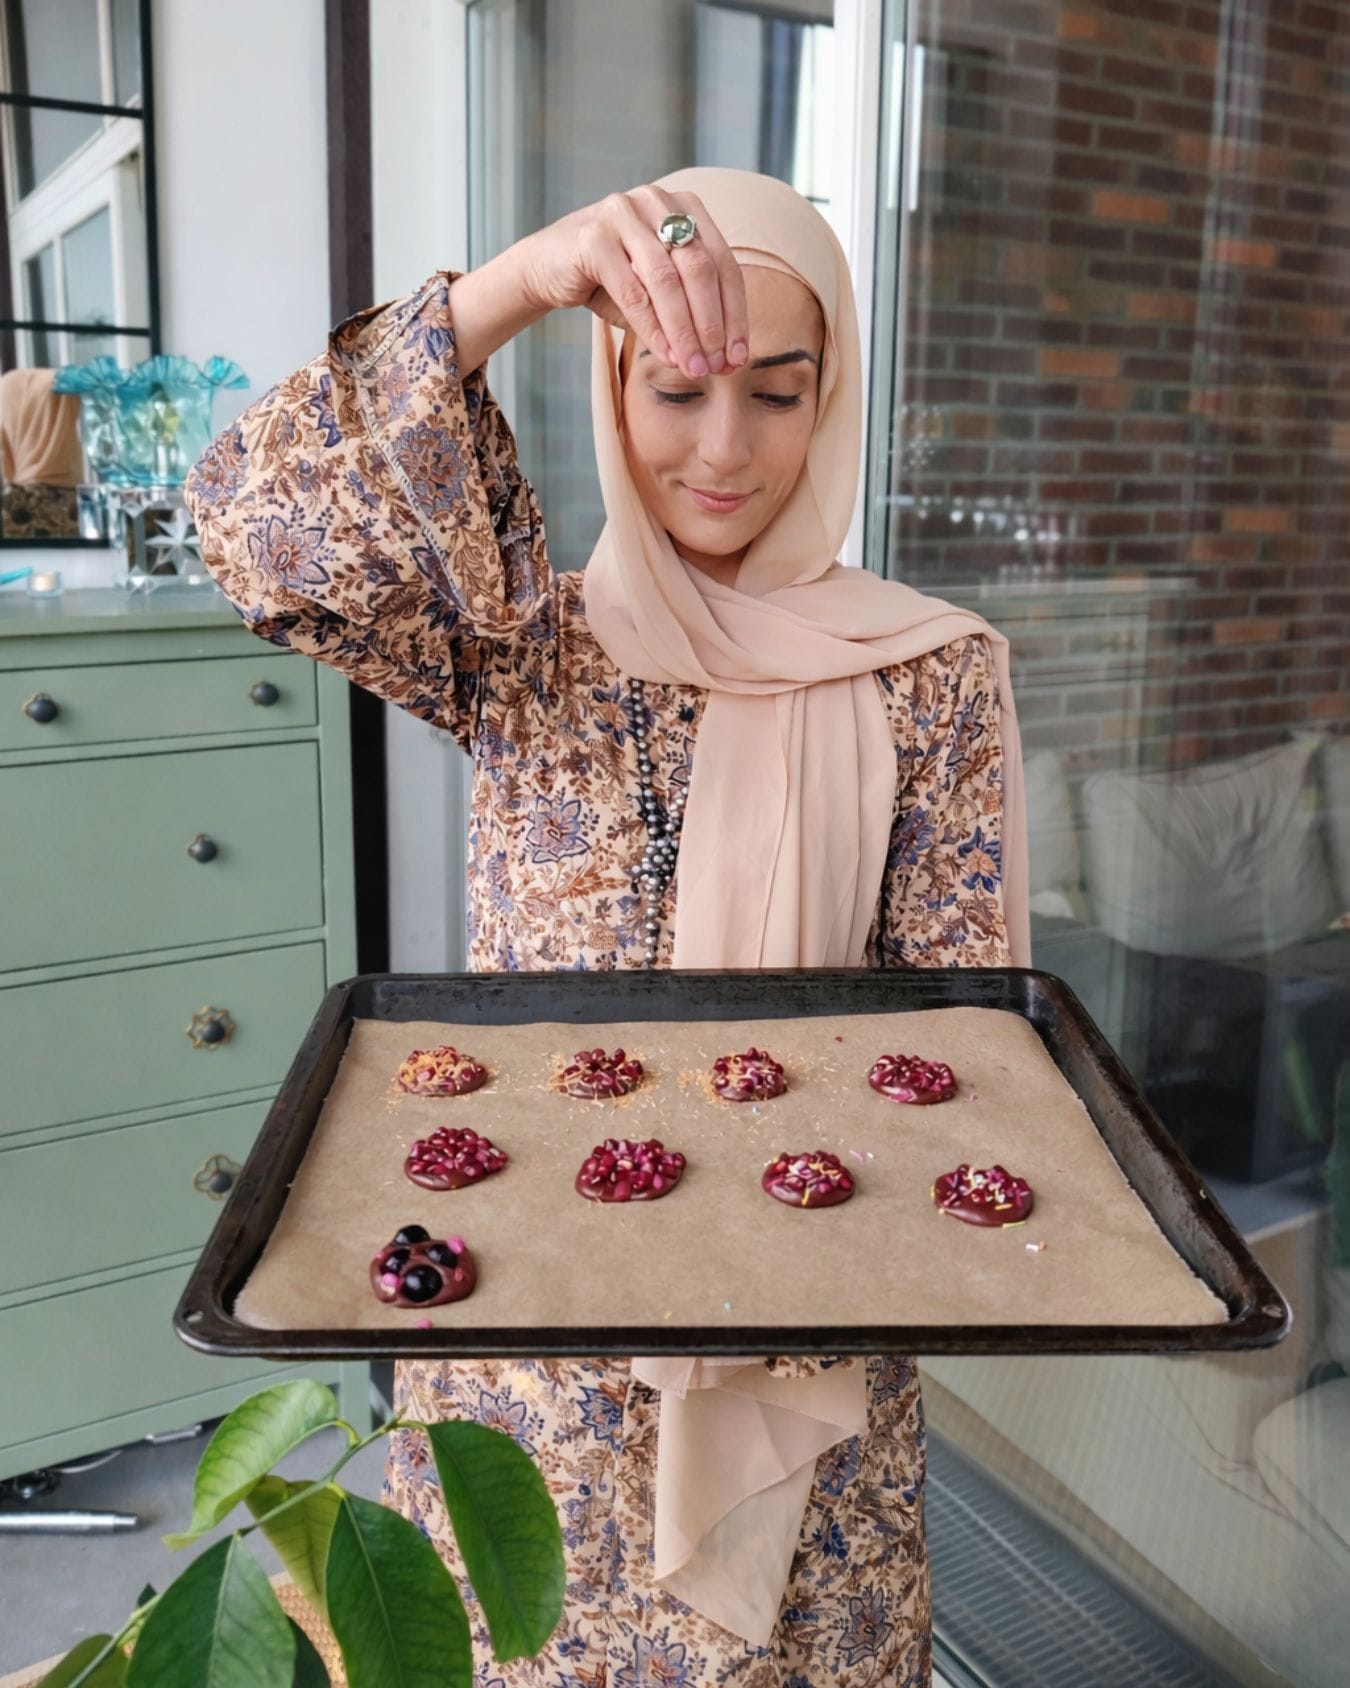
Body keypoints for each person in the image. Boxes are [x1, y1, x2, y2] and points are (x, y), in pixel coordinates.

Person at [186, 166, 1029, 1687]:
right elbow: (259, 533)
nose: (724, 451)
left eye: (778, 395)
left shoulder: (930, 672)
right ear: (607, 382)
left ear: (832, 396)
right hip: (538, 1343)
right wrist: (512, 284)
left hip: (799, 1327)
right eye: (674, 387)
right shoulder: (523, 640)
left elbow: (953, 1043)